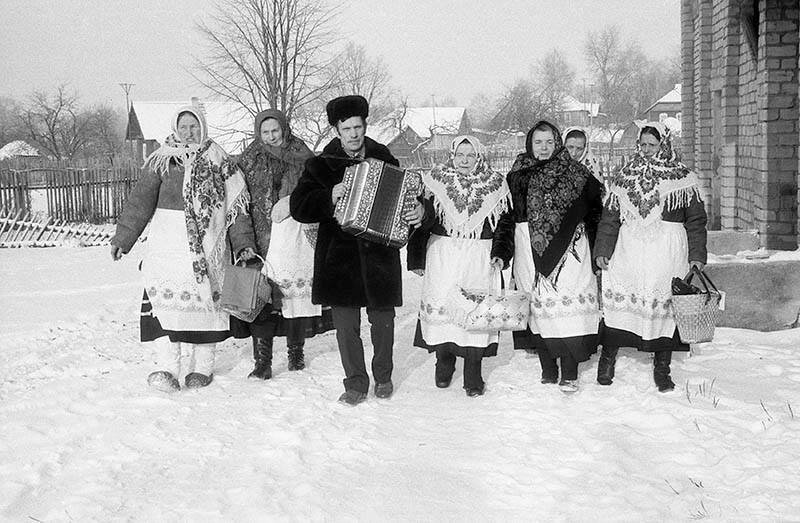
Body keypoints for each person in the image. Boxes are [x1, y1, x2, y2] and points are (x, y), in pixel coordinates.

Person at [290, 95, 425, 405]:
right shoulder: (321, 165)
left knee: (383, 322)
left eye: (358, 127)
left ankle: (384, 376)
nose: (353, 134)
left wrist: (417, 210)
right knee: (346, 327)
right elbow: (299, 207)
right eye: (346, 128)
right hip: (339, 260)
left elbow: (408, 196)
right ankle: (355, 382)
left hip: (379, 254)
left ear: (365, 126)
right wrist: (329, 195)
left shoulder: (385, 159)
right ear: (336, 130)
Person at [110, 105, 257, 392]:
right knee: (165, 305)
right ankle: (167, 368)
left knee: (207, 307)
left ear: (202, 127)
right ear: (176, 129)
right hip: (167, 248)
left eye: (194, 126)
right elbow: (140, 202)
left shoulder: (221, 162)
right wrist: (122, 239)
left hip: (208, 247)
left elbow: (236, 210)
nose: (189, 132)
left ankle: (202, 368)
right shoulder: (161, 161)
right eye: (184, 126)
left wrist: (244, 245)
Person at [594, 123, 707, 392]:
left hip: (667, 252)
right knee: (620, 304)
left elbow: (696, 221)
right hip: (629, 250)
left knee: (663, 309)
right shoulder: (624, 177)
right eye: (642, 145)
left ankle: (662, 369)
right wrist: (602, 251)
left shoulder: (684, 178)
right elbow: (610, 219)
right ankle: (607, 361)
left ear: (664, 145)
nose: (646, 150)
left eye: (652, 145)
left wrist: (697, 256)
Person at [407, 135, 514, 397]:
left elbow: (504, 225)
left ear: (479, 157)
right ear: (452, 155)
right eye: (460, 155)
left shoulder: (496, 185)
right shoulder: (436, 180)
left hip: (479, 256)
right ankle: (444, 361)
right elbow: (422, 220)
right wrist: (416, 257)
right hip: (443, 254)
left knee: (474, 310)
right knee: (444, 308)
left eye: (471, 155)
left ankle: (473, 372)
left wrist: (501, 253)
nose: (465, 160)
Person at [232, 109, 334, 380]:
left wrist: (293, 202)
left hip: (296, 237)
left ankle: (295, 351)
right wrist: (243, 243)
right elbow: (238, 207)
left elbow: (318, 190)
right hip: (261, 241)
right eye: (265, 132)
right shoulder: (247, 162)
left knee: (294, 301)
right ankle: (262, 361)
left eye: (275, 130)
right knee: (262, 301)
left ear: (284, 128)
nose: (271, 136)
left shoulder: (302, 154)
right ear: (258, 133)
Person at [506, 120, 604, 393]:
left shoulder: (576, 173)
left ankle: (569, 372)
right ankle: (548, 366)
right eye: (538, 142)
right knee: (538, 308)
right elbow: (508, 214)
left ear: (557, 142)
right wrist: (502, 251)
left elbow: (596, 211)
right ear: (530, 144)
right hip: (528, 247)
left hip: (569, 251)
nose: (544, 147)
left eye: (549, 141)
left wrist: (598, 250)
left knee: (566, 311)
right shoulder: (517, 173)